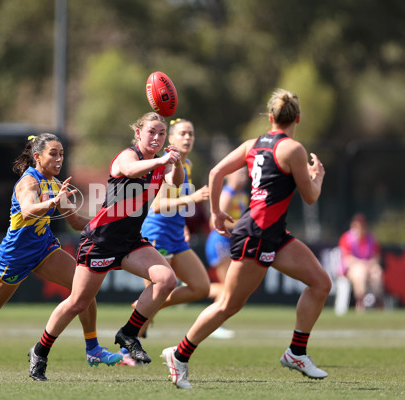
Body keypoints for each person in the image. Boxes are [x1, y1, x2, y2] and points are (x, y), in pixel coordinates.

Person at [161, 89, 332, 389]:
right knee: (228, 304)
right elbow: (310, 197)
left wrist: (215, 213)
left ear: (270, 118)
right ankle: (179, 354)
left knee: (320, 283)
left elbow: (215, 173)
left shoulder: (254, 144)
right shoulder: (293, 149)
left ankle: (296, 352)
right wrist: (316, 176)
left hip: (273, 233)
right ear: (298, 119)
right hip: (257, 233)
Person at [0, 133, 123, 368]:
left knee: (83, 290)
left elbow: (77, 222)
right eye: (53, 154)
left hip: (44, 249)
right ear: (37, 156)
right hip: (15, 255)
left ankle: (93, 349)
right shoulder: (29, 182)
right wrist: (51, 202)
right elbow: (27, 211)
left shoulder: (56, 184)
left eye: (62, 154)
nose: (59, 159)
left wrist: (107, 221)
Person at [27, 112, 184, 381]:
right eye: (151, 132)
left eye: (161, 133)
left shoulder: (161, 163)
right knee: (78, 302)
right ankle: (40, 352)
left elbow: (177, 182)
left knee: (167, 280)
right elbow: (133, 170)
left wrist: (176, 162)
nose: (157, 138)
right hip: (100, 240)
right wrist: (162, 159)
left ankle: (129, 333)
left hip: (130, 241)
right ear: (138, 134)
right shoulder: (127, 156)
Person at [132, 118, 210, 349]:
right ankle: (128, 349)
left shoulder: (187, 166)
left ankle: (142, 307)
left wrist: (183, 223)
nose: (187, 138)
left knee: (200, 287)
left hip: (176, 235)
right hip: (157, 233)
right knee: (153, 297)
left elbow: (175, 204)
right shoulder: (166, 165)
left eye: (191, 134)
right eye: (182, 134)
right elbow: (157, 206)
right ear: (172, 139)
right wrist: (193, 199)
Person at [203, 166, 249, 339]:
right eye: (239, 174)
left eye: (245, 174)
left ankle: (195, 287)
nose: (243, 177)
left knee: (230, 287)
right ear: (229, 176)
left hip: (231, 243)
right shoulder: (227, 193)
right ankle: (214, 323)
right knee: (227, 286)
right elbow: (213, 223)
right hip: (219, 243)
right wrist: (243, 224)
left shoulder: (243, 195)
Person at [338, 213, 384, 312]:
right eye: (357, 225)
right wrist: (362, 264)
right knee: (360, 272)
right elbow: (347, 258)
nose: (359, 228)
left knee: (377, 273)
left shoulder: (371, 238)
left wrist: (369, 264)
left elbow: (377, 256)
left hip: (369, 266)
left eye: (362, 225)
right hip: (351, 269)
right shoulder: (346, 238)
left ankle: (378, 301)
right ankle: (360, 302)